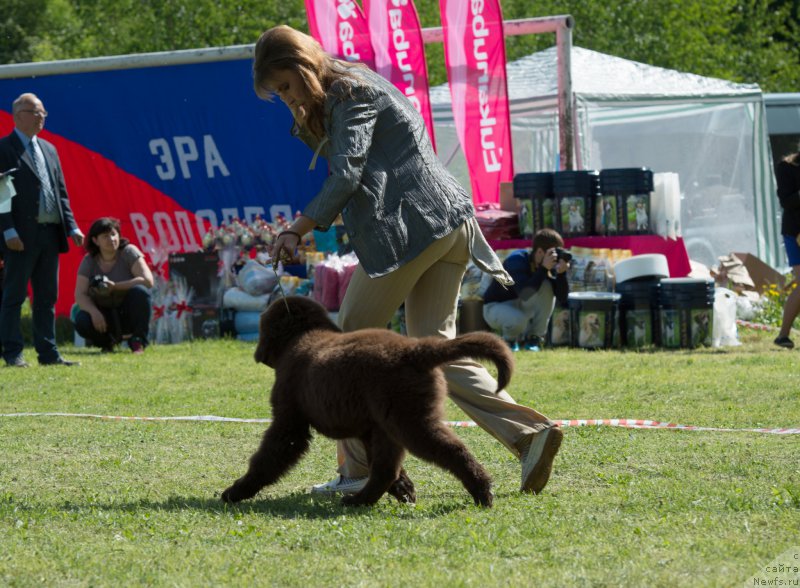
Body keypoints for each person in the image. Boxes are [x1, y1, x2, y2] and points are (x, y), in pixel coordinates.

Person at [259, 25, 563, 496]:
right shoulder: (354, 85)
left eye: (285, 86)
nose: (285, 98)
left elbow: (348, 174)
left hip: (413, 230)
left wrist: (297, 227)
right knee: (433, 350)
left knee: (346, 344)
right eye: (277, 93)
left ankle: (360, 471)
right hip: (449, 225)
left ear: (303, 67)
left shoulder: (348, 94)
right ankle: (530, 435)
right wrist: (306, 116)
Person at [0, 93, 84, 367]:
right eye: (35, 112)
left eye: (43, 113)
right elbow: (1, 194)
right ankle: (13, 353)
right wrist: (8, 231)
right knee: (14, 296)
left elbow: (60, 193)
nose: (41, 117)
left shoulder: (49, 149)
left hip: (50, 233)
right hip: (20, 236)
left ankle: (49, 354)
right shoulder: (4, 148)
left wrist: (72, 226)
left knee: (47, 297)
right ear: (18, 116)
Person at [73, 217, 154, 353]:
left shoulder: (129, 252)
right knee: (82, 320)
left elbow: (148, 281)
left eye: (113, 234)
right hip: (103, 313)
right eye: (105, 236)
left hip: (127, 311)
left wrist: (115, 286)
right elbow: (80, 294)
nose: (111, 239)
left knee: (140, 292)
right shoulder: (89, 261)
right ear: (95, 241)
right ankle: (106, 343)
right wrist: (94, 313)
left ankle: (137, 341)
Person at [482, 228, 570, 351]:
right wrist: (544, 269)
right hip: (495, 307)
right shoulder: (516, 260)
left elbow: (562, 298)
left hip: (521, 307)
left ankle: (534, 338)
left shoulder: (547, 264)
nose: (554, 258)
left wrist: (562, 274)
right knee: (518, 319)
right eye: (552, 253)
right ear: (540, 251)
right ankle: (509, 340)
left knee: (546, 285)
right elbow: (524, 293)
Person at [774, 150, 800, 349]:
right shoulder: (786, 167)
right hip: (795, 232)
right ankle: (783, 335)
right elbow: (786, 201)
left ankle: (783, 335)